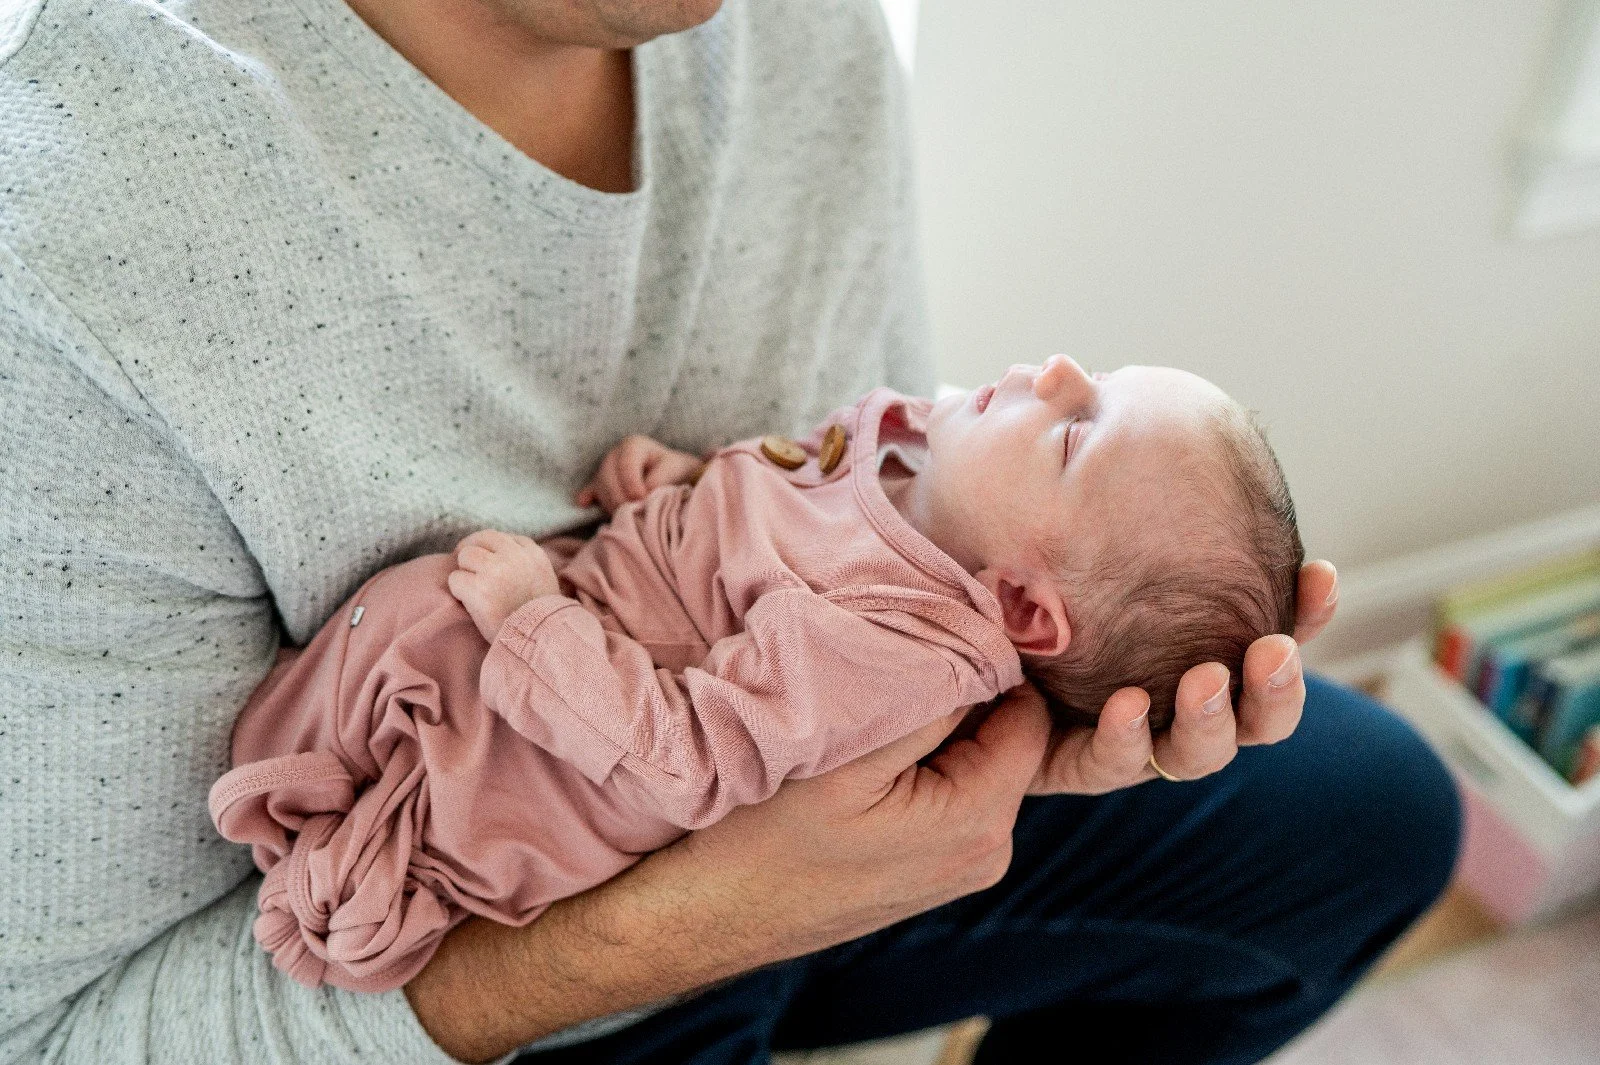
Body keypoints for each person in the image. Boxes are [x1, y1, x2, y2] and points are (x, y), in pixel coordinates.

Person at [0, 0, 1458, 1062]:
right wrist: (685, 926)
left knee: (1375, 814)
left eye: (1078, 423)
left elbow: (911, 530)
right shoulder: (68, 238)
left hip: (749, 779)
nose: (1050, 374)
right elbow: (69, 1035)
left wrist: (1016, 744)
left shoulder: (802, 39)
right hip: (505, 954)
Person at [210, 360, 1304, 993]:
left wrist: (537, 623)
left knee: (428, 638)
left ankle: (349, 849)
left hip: (575, 760)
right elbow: (775, 505)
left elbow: (684, 763)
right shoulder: (919, 467)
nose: (1052, 373)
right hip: (593, 644)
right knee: (415, 629)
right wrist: (684, 485)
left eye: (1073, 435)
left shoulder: (895, 645)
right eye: (1096, 376)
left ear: (1021, 607)